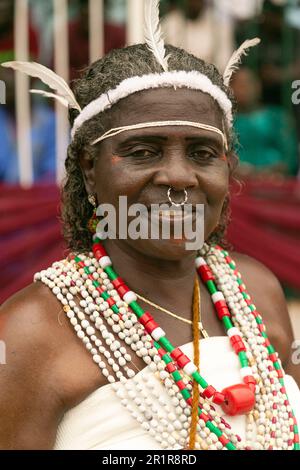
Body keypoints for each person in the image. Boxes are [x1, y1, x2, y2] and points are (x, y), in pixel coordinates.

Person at [0, 1, 300, 451]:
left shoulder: (258, 290)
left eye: (202, 153)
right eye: (143, 151)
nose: (178, 177)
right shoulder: (31, 333)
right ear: (88, 170)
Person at [231, 67, 298, 177]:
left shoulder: (277, 117)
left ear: (258, 87)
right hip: (237, 182)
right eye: (238, 84)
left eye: (248, 83)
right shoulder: (225, 121)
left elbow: (290, 156)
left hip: (276, 182)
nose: (243, 89)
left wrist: (271, 172)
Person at [161, 0, 234, 72]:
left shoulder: (218, 26)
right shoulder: (170, 23)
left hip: (208, 80)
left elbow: (223, 62)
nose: (194, 3)